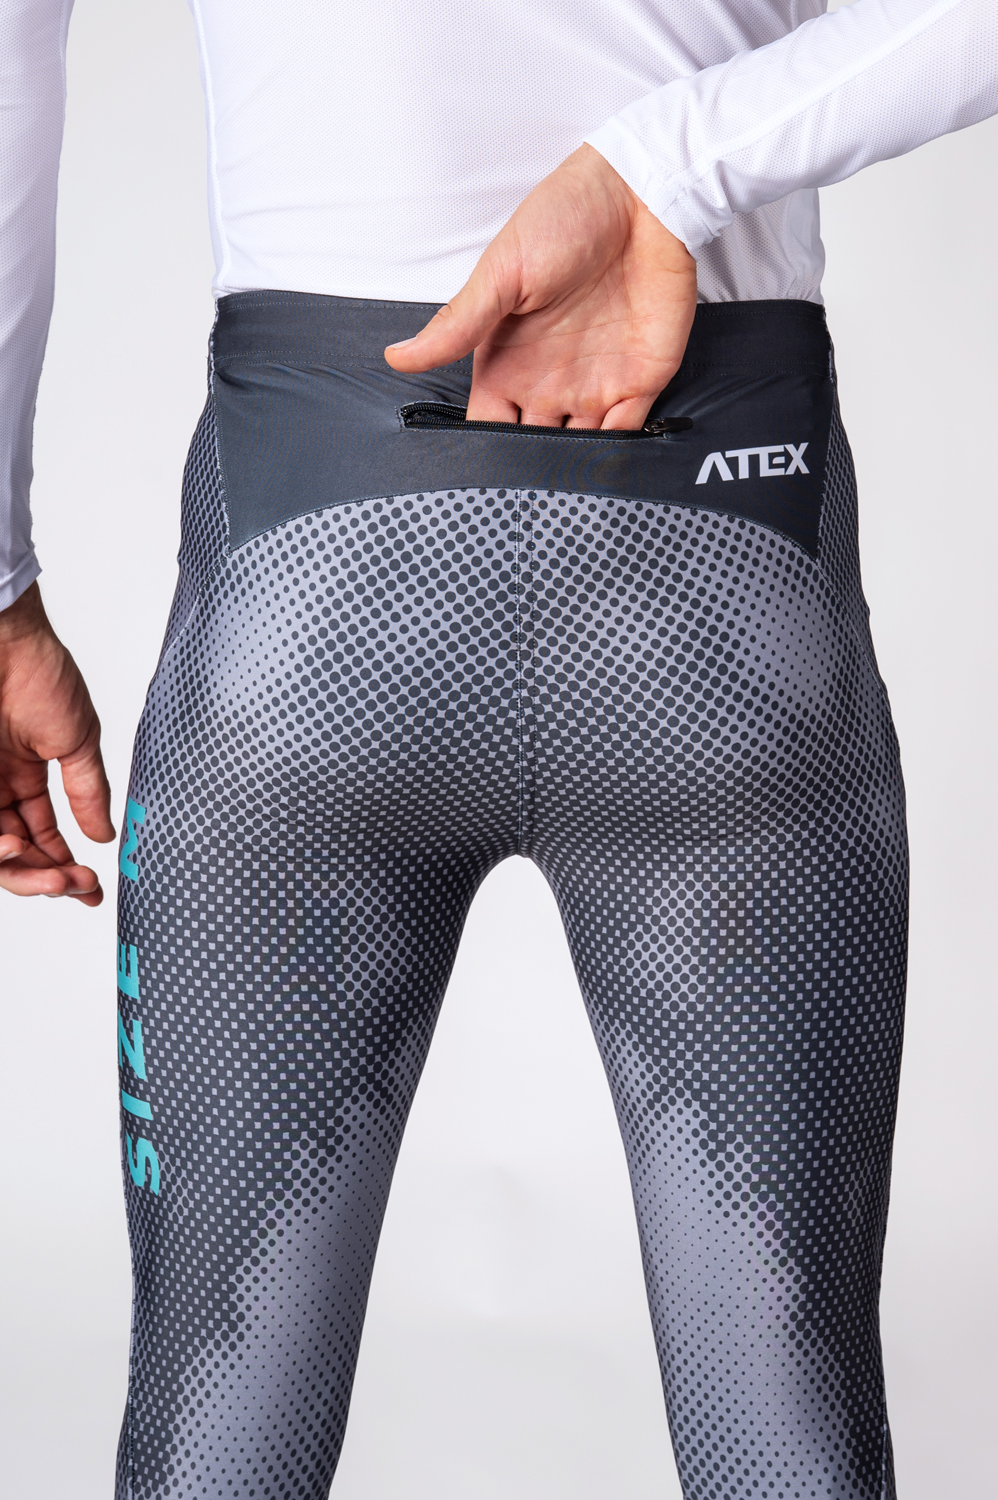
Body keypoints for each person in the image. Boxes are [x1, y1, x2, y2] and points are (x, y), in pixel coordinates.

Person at [0, 0, 994, 1496]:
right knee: (784, 1422)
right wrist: (672, 164)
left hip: (310, 589)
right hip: (724, 585)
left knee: (217, 1421)